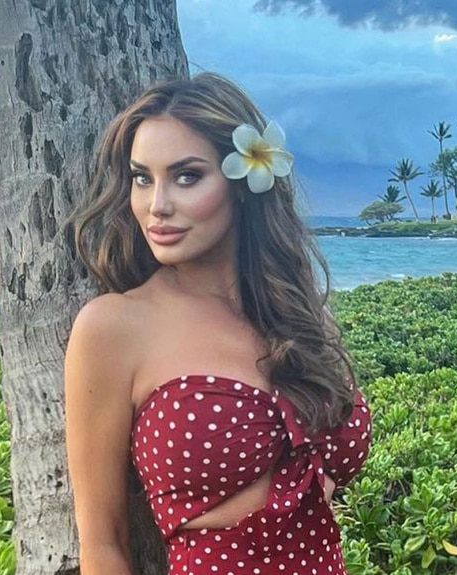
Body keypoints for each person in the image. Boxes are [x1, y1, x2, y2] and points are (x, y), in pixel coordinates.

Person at [64, 73, 370, 575]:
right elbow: (103, 544)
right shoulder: (114, 328)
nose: (156, 205)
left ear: (244, 185)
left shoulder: (298, 313)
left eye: (186, 176)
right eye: (142, 178)